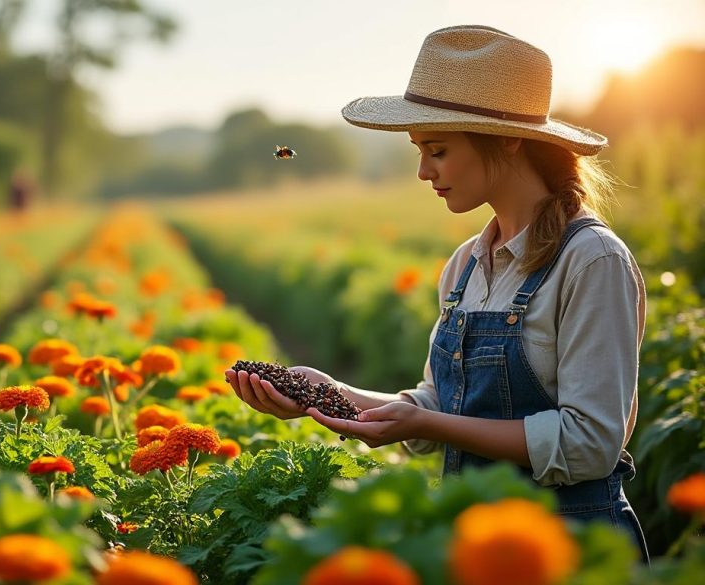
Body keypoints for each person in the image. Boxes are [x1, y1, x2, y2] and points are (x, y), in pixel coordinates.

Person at [225, 25, 650, 561]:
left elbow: (589, 444)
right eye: (420, 151)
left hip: (575, 551)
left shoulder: (591, 261)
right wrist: (332, 393)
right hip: (474, 545)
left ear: (510, 140)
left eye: (438, 150)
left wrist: (425, 422)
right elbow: (436, 405)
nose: (424, 171)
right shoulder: (467, 263)